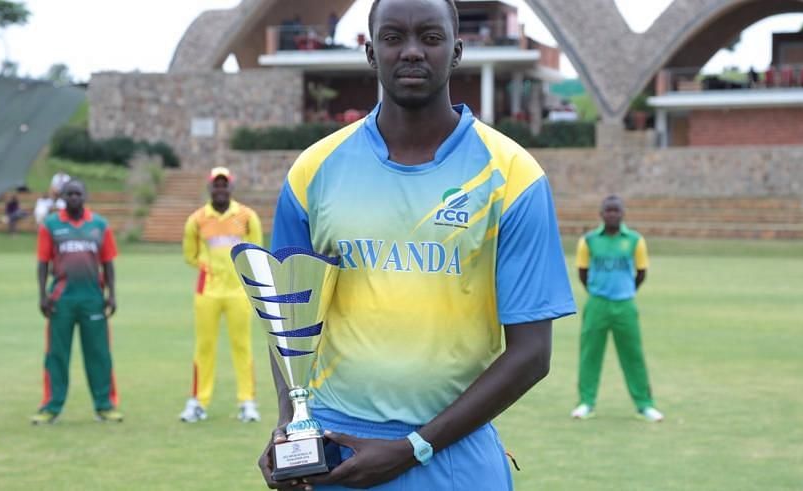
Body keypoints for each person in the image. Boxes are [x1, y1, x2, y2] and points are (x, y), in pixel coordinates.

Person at [263, 0, 576, 489]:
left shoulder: (513, 176)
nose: (411, 52)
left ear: (456, 51)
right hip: (336, 451)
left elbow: (532, 353)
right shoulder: (312, 171)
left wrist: (416, 447)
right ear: (370, 52)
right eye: (393, 38)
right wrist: (288, 428)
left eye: (430, 38)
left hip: (451, 454)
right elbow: (287, 321)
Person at [32, 179, 122, 424]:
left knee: (99, 354)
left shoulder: (99, 225)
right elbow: (42, 263)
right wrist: (42, 295)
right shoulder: (51, 225)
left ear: (85, 196)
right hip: (61, 299)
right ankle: (52, 406)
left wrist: (111, 294)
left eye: (78, 194)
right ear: (63, 197)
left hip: (93, 298)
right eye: (69, 194)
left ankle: (105, 405)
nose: (73, 198)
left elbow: (108, 263)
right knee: (56, 355)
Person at [179, 167, 263, 423]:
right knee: (204, 347)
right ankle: (198, 402)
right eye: (216, 185)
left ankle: (247, 402)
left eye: (224, 185)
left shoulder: (247, 217)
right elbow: (189, 255)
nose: (220, 189)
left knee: (242, 346)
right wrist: (210, 268)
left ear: (231, 188)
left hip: (238, 291)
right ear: (210, 188)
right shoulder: (197, 219)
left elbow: (256, 251)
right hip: (208, 292)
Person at [570, 195, 664, 422]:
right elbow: (582, 272)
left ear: (623, 214)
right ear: (601, 214)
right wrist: (597, 290)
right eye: (608, 211)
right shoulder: (589, 240)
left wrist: (625, 291)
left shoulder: (634, 240)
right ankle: (586, 403)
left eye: (616, 211)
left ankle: (644, 404)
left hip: (625, 305)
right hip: (597, 303)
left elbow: (641, 272)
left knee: (633, 355)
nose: (612, 214)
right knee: (589, 354)